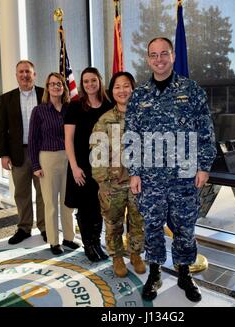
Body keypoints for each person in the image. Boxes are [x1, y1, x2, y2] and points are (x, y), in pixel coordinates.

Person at [124, 37, 217, 302]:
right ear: (148, 59)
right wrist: (134, 171)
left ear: (173, 56)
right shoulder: (139, 95)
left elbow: (206, 131)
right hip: (150, 178)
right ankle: (154, 273)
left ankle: (185, 273)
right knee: (152, 226)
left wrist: (204, 166)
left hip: (185, 176)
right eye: (153, 55)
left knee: (185, 227)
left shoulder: (192, 90)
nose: (159, 59)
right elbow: (132, 135)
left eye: (164, 53)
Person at [91, 72, 145, 277]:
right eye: (117, 87)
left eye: (126, 86)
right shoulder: (105, 120)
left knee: (138, 222)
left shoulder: (143, 118)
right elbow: (97, 155)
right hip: (113, 184)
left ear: (133, 89)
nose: (122, 91)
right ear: (111, 91)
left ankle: (135, 254)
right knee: (113, 223)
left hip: (138, 183)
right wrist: (103, 183)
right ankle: (116, 257)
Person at [28, 72, 79, 255]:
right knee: (50, 202)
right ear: (47, 88)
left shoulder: (69, 109)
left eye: (59, 84)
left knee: (68, 201)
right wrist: (35, 165)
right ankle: (53, 241)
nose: (56, 87)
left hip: (68, 157)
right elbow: (33, 140)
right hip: (48, 159)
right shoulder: (39, 111)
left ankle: (68, 238)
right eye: (52, 84)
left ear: (64, 88)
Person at [64, 67, 111, 262]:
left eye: (93, 80)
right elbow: (68, 140)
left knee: (99, 206)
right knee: (85, 207)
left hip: (102, 166)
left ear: (99, 81)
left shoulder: (109, 105)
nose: (90, 84)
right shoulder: (75, 107)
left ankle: (96, 241)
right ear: (82, 85)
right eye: (85, 81)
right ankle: (88, 246)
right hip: (81, 166)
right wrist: (74, 167)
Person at [0, 60, 46, 244]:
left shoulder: (45, 94)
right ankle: (24, 228)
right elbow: (2, 129)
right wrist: (4, 154)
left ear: (34, 74)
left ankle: (45, 228)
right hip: (18, 154)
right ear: (16, 75)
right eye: (21, 72)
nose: (25, 75)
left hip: (42, 153)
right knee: (21, 193)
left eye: (28, 71)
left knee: (43, 193)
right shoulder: (7, 98)